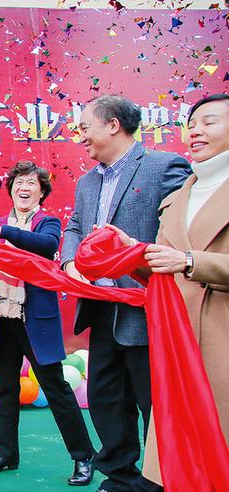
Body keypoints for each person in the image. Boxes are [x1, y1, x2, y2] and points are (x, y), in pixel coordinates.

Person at [60, 95, 191, 492]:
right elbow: (76, 228)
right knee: (106, 398)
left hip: (147, 308)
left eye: (85, 127)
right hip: (100, 308)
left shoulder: (163, 166)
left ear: (113, 125)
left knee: (154, 400)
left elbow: (180, 228)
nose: (80, 135)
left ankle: (160, 479)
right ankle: (121, 476)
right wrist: (69, 263)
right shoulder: (87, 181)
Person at [0, 161, 95, 486]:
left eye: (31, 184)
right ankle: (6, 453)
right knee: (7, 390)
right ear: (11, 189)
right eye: (19, 183)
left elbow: (48, 247)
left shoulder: (47, 223)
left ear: (41, 191)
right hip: (1, 319)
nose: (24, 188)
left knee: (57, 390)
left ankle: (83, 457)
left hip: (34, 321)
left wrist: (6, 233)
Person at [108, 93, 229, 487]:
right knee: (178, 460)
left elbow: (184, 263)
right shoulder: (179, 198)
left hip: (220, 340)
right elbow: (166, 270)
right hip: (179, 348)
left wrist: (193, 262)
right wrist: (132, 253)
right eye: (192, 123)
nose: (196, 130)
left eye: (209, 122)